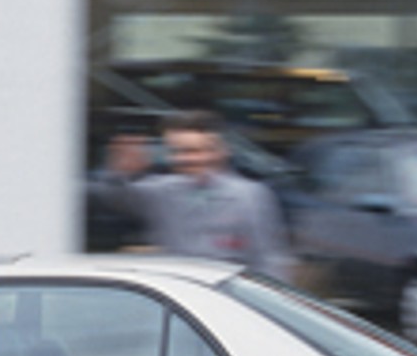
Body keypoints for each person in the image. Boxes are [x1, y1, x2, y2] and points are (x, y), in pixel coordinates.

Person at [101, 110, 294, 282]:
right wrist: (120, 173)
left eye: (193, 151)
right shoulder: (161, 190)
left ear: (219, 151)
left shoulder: (249, 195)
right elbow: (115, 199)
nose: (184, 159)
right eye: (175, 152)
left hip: (231, 299)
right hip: (179, 298)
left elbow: (269, 259)